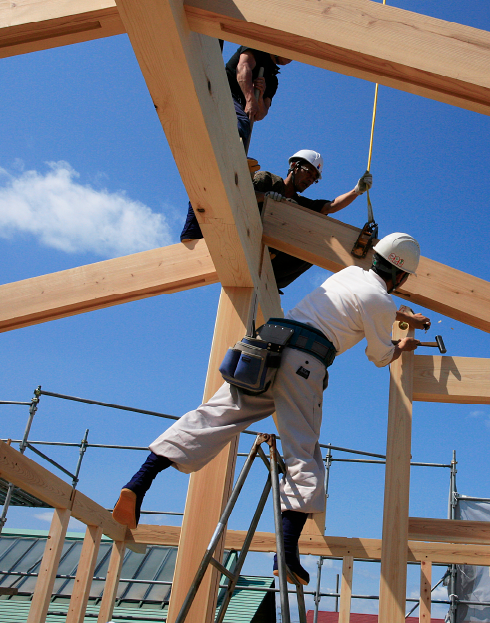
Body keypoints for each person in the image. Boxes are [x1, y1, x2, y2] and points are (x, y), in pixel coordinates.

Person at [112, 232, 428, 584]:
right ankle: (286, 553)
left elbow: (361, 300)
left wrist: (405, 316)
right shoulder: (381, 303)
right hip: (303, 364)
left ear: (376, 258)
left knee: (213, 416)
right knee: (302, 454)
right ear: (402, 277)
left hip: (268, 346)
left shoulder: (350, 274)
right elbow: (379, 355)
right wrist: (402, 344)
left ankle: (139, 483)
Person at [183, 149, 373, 290]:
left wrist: (356, 191)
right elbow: (239, 195)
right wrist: (265, 197)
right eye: (309, 172)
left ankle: (273, 281)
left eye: (314, 178)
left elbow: (329, 207)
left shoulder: (301, 205)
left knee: (319, 241)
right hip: (244, 236)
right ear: (294, 166)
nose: (310, 180)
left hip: (269, 264)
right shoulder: (268, 180)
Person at [179, 46, 292, 238]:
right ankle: (231, 159)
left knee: (210, 181)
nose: (291, 58)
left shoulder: (272, 79)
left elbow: (262, 113)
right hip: (222, 95)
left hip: (241, 109)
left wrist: (260, 93)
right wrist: (250, 98)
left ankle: (192, 234)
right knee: (239, 124)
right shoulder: (256, 47)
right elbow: (242, 68)